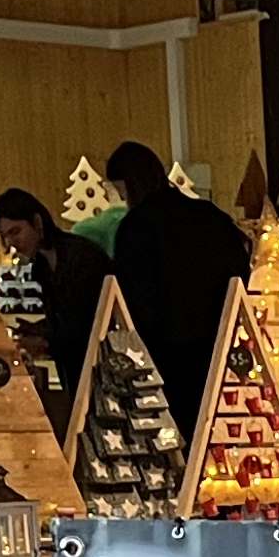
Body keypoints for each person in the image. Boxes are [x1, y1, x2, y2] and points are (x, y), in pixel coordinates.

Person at [92, 139, 249, 427]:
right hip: (217, 341)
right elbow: (239, 271)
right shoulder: (209, 215)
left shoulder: (136, 226)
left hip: (165, 350)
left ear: (127, 183)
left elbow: (132, 294)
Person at [0, 185, 109, 395]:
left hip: (102, 369)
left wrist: (45, 343)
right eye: (6, 236)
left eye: (16, 232)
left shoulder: (81, 256)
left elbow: (87, 324)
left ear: (37, 222)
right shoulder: (41, 266)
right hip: (73, 372)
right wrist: (36, 329)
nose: (11, 243)